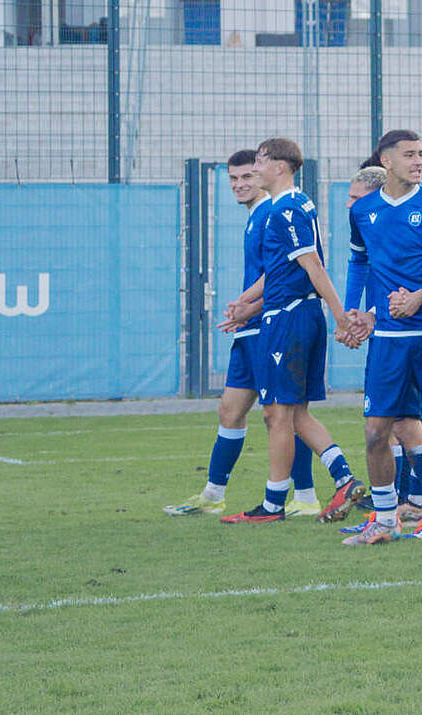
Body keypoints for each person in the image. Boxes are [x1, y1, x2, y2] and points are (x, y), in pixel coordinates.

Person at [167, 149, 357, 520]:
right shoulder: (267, 215)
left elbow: (304, 266)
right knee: (248, 409)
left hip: (279, 321)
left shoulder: (280, 211)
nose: (243, 181)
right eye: (235, 178)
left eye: (251, 173)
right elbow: (281, 270)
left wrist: (338, 315)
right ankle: (218, 492)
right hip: (265, 321)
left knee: (281, 411)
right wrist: (245, 306)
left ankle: (298, 496)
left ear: (274, 171)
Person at [339, 130, 422, 546]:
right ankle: (384, 520)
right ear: (387, 161)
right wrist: (352, 312)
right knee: (376, 430)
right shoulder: (363, 212)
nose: (419, 161)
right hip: (389, 340)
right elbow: (359, 263)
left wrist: (420, 297)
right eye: (410, 155)